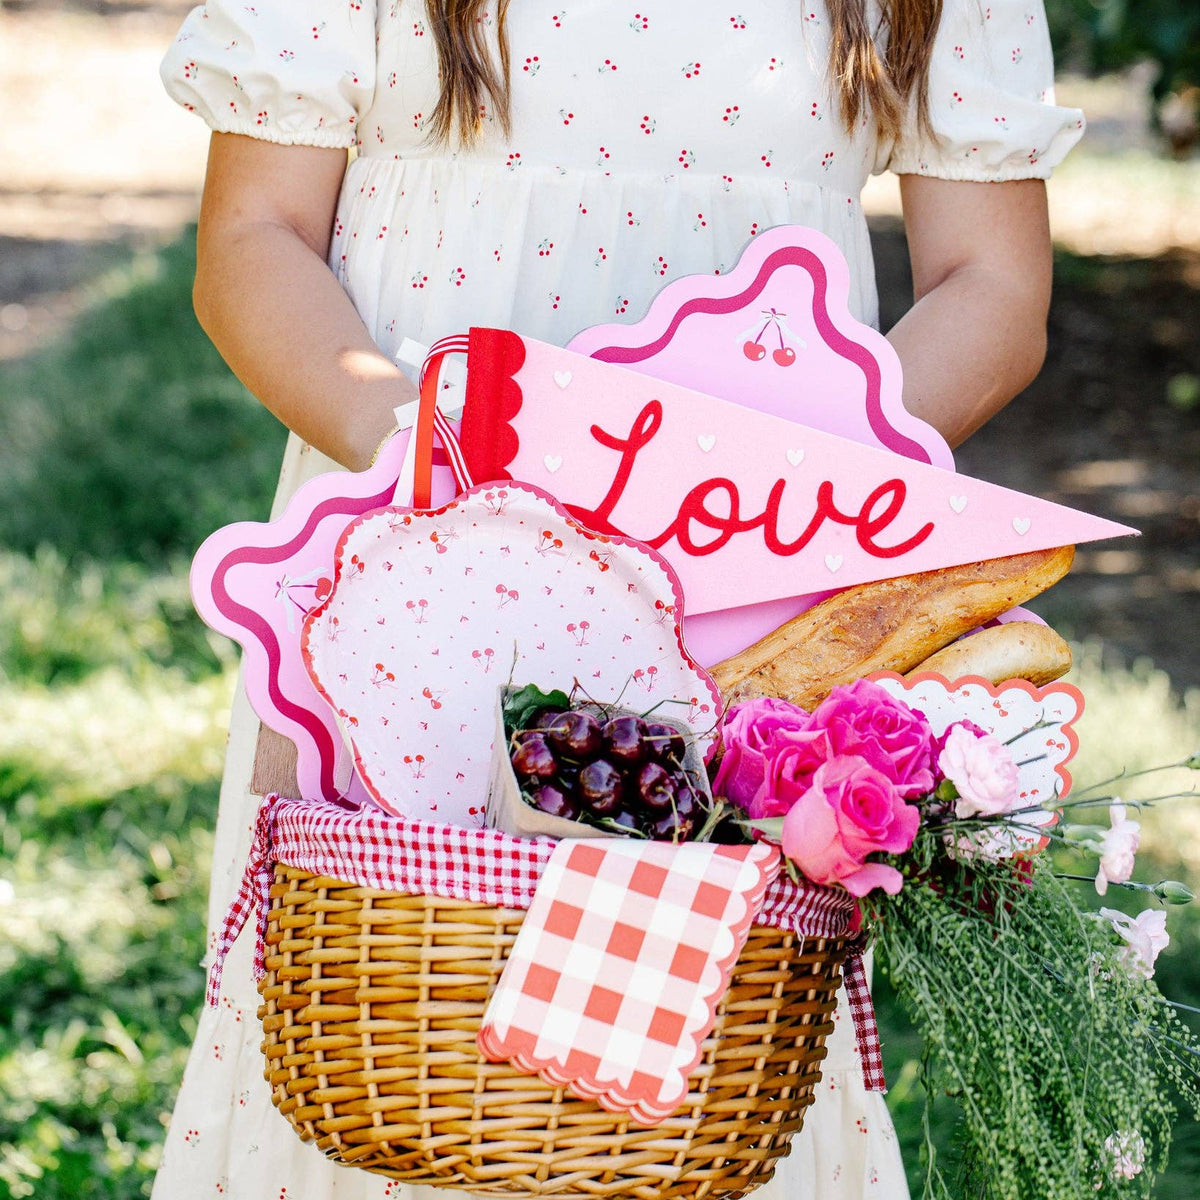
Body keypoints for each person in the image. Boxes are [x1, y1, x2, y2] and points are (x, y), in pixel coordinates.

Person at [154, 3, 1083, 1197]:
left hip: (738, 582)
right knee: (393, 1015)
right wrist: (432, 467)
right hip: (417, 568)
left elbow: (992, 281)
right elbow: (254, 235)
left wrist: (777, 492)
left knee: (688, 1052)